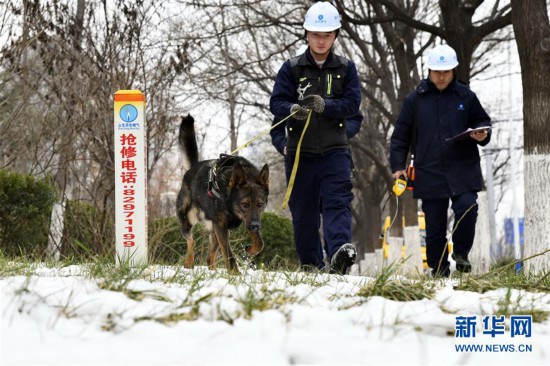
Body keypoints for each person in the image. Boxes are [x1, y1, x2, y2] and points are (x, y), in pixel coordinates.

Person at [270, 1, 363, 274]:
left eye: (327, 35)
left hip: (336, 152)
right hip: (301, 155)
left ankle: (339, 255)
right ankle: (311, 265)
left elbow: (352, 104)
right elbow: (276, 103)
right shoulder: (291, 68)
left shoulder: (347, 68)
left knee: (337, 204)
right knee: (304, 214)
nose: (321, 41)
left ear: (335, 36)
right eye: (316, 35)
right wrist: (292, 109)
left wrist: (327, 106)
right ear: (306, 35)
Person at [390, 44, 491, 277]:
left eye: (446, 71)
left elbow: (482, 123)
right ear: (429, 70)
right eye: (437, 71)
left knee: (468, 208)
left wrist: (482, 134)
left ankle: (461, 252)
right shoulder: (414, 100)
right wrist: (398, 167)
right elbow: (400, 137)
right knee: (434, 227)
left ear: (454, 70)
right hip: (429, 170)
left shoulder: (466, 96)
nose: (441, 76)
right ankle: (439, 270)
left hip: (462, 168)